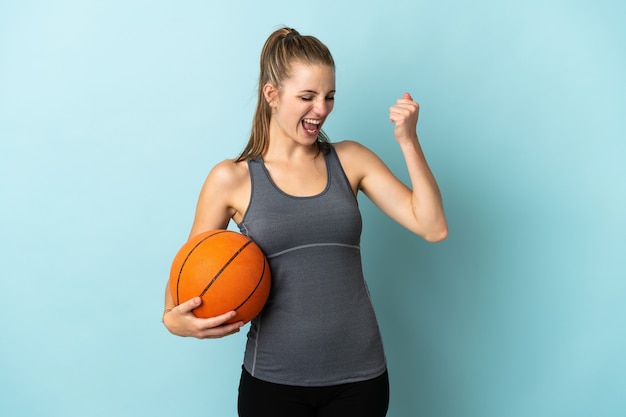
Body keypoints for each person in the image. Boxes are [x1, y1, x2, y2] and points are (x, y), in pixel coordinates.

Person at [162, 26, 447, 417]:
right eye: (307, 97)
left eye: (329, 97)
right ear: (272, 95)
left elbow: (433, 227)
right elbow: (185, 281)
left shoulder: (350, 160)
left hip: (360, 381)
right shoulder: (232, 178)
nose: (322, 109)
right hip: (273, 384)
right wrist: (175, 322)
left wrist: (408, 141)